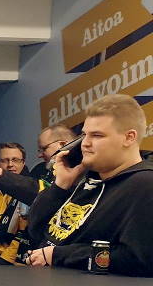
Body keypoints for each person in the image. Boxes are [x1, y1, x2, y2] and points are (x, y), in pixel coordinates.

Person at [26, 94, 153, 275]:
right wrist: (60, 187)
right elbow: (35, 230)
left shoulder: (144, 185)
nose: (85, 144)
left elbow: (139, 259)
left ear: (129, 137)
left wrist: (58, 255)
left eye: (97, 135)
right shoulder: (86, 177)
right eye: (85, 135)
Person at [0, 142, 31, 264]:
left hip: (12, 262)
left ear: (23, 163)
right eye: (4, 160)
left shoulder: (30, 193)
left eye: (15, 160)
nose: (10, 165)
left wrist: (4, 261)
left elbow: (25, 234)